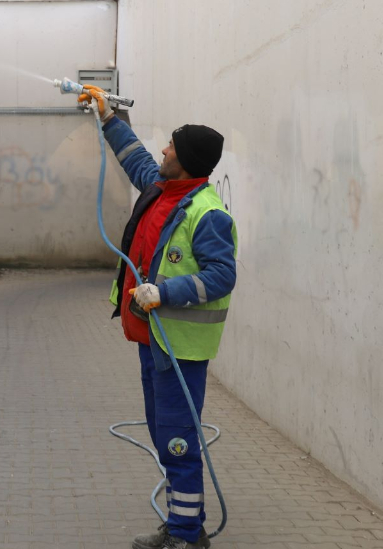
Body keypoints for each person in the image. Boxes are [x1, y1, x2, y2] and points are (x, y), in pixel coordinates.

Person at [78, 86, 237, 549]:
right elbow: (135, 159)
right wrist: (108, 118)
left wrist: (163, 290)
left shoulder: (208, 213)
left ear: (185, 159)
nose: (162, 150)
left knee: (178, 442)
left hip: (180, 348)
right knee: (165, 435)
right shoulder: (164, 190)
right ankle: (184, 523)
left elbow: (222, 274)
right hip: (155, 341)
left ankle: (187, 537)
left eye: (170, 145)